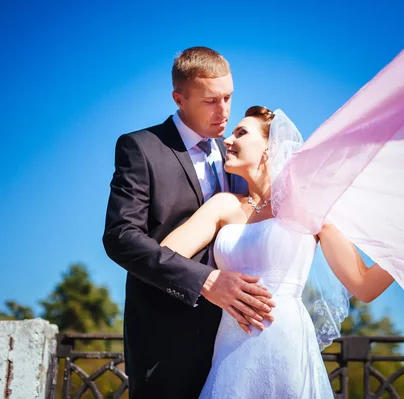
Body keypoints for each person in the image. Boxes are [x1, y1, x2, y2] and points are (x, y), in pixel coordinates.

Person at [161, 106, 395, 398]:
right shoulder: (223, 205)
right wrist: (210, 283)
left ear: (269, 149)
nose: (228, 141)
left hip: (285, 341)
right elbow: (164, 256)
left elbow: (364, 284)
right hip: (230, 345)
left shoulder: (309, 207)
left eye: (241, 133)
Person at [102, 47, 276, 398]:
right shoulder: (142, 148)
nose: (224, 111)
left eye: (228, 97)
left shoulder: (240, 159)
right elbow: (121, 237)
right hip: (168, 340)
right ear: (178, 98)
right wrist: (205, 280)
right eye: (211, 101)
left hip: (239, 341)